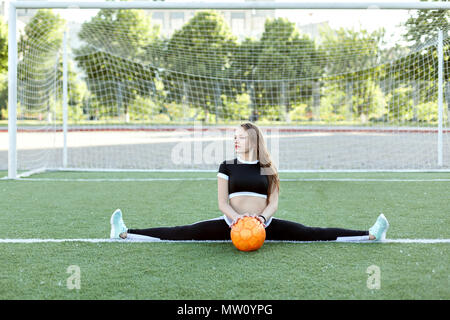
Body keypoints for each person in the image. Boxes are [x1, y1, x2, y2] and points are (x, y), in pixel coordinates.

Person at [110, 122, 389, 242]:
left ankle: (370, 234)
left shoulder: (267, 166)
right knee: (183, 231)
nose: (235, 140)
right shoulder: (226, 166)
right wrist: (236, 220)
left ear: (253, 140)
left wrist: (259, 220)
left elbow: (274, 202)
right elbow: (221, 202)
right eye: (234, 136)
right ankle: (124, 233)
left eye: (240, 137)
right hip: (231, 224)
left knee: (310, 232)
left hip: (262, 224)